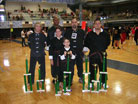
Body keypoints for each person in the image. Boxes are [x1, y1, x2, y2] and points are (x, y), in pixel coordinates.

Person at [84, 18, 110, 88]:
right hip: (93, 55)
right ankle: (91, 82)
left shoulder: (105, 34)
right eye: (96, 24)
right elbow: (86, 43)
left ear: (101, 25)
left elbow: (108, 42)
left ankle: (103, 82)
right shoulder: (90, 34)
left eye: (99, 23)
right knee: (92, 70)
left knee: (103, 69)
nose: (97, 25)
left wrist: (102, 49)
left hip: (102, 55)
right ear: (94, 25)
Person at [64, 17, 85, 83]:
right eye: (72, 22)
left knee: (80, 65)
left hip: (79, 51)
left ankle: (81, 77)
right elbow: (64, 41)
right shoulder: (68, 32)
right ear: (71, 24)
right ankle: (70, 78)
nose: (74, 23)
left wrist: (85, 48)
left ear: (77, 23)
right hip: (70, 52)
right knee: (70, 66)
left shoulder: (82, 31)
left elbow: (85, 40)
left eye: (75, 22)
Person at [47, 16, 64, 82]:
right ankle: (54, 77)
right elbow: (48, 40)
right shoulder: (50, 30)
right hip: (53, 51)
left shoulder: (62, 29)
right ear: (53, 21)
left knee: (61, 66)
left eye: (57, 20)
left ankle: (61, 78)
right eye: (55, 20)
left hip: (61, 52)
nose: (56, 21)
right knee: (53, 65)